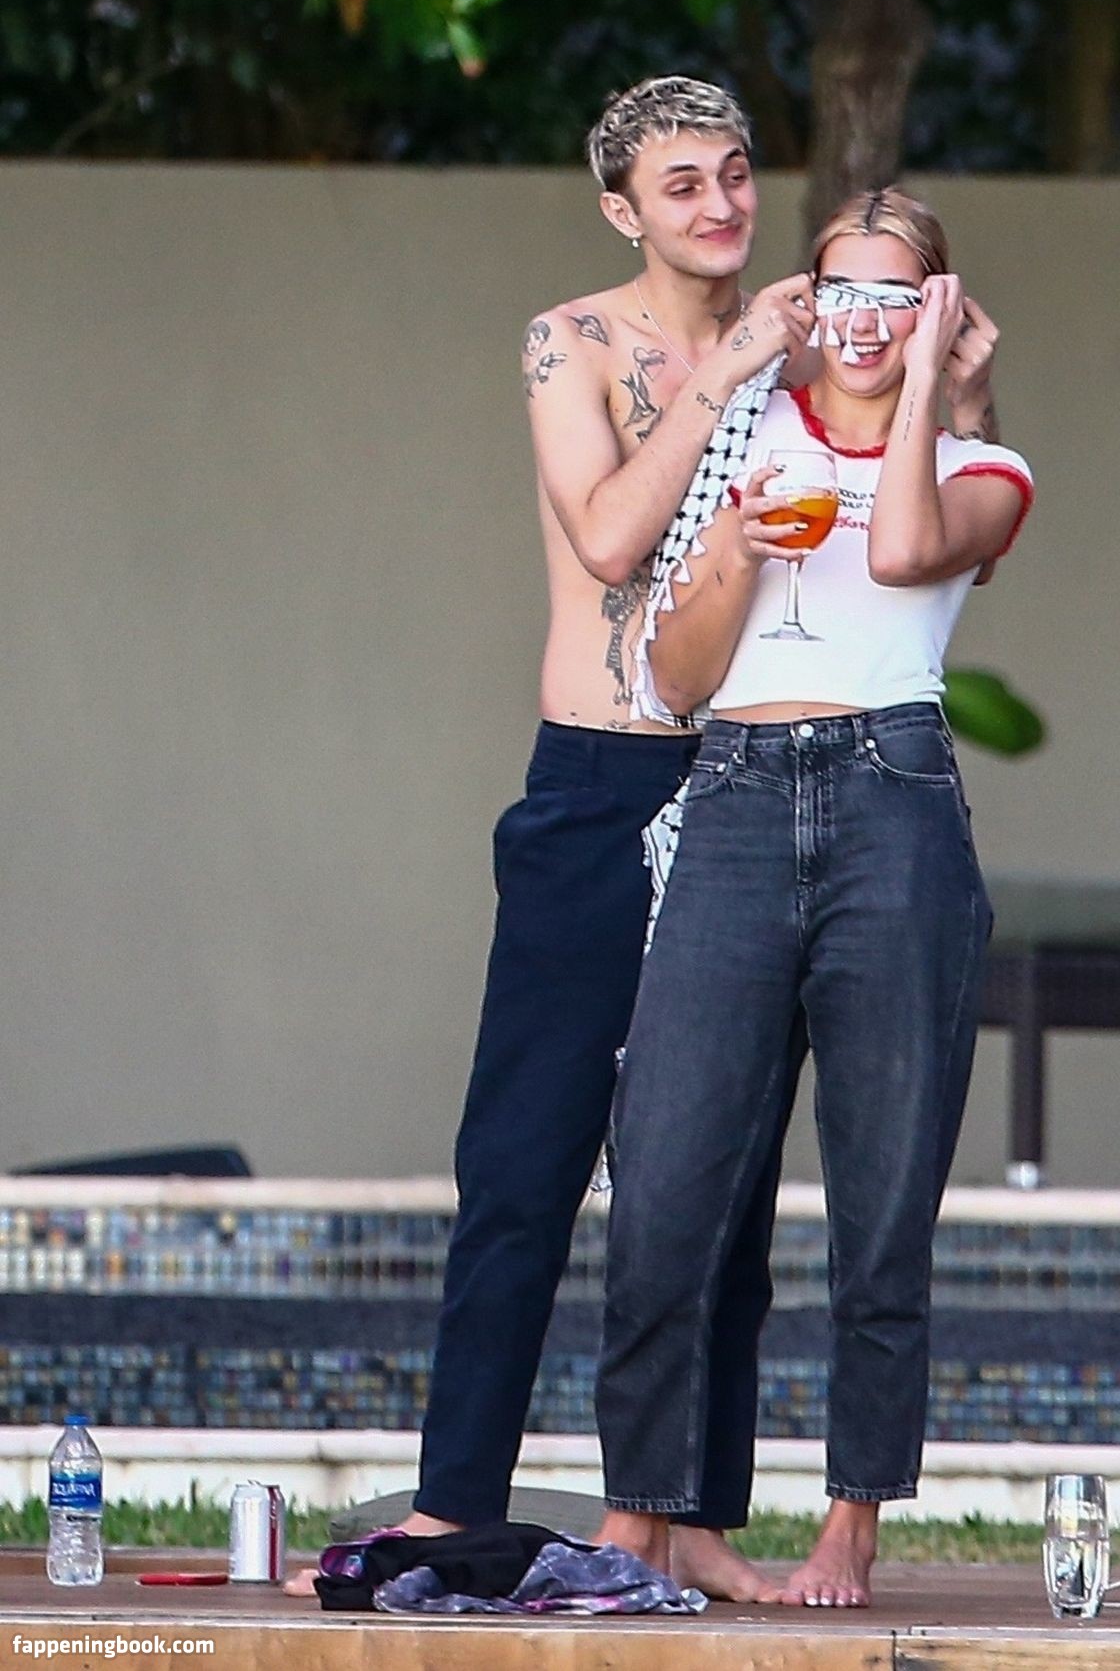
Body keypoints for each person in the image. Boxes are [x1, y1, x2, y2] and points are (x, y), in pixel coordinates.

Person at [358, 78, 981, 1604]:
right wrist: (735, 367)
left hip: (759, 782)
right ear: (621, 209)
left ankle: (690, 1506)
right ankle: (452, 1502)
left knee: (720, 1175)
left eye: (735, 173)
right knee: (527, 1153)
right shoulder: (573, 343)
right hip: (602, 777)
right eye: (681, 183)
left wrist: (947, 381)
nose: (718, 204)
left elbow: (924, 529)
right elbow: (607, 536)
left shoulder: (823, 349)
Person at [593, 189, 1032, 1609]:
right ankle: (640, 1514)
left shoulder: (984, 466)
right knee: (665, 1176)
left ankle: (852, 1518)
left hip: (892, 799)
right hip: (733, 791)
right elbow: (675, 676)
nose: (861, 317)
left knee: (882, 1197)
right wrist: (743, 543)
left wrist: (926, 383)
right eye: (841, 287)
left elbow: (900, 551)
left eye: (897, 294)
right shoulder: (745, 435)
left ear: (939, 309)